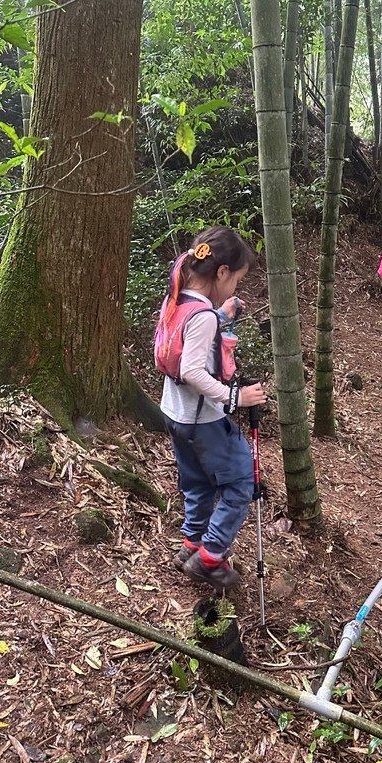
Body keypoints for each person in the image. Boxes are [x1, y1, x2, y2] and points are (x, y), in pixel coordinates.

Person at [157, 227, 267, 592]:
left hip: (175, 415)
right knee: (240, 483)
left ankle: (191, 544)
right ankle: (209, 558)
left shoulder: (178, 299)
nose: (236, 286)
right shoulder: (202, 315)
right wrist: (235, 398)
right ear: (221, 273)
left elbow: (189, 339)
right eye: (237, 279)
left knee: (197, 482)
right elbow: (191, 370)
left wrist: (221, 314)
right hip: (204, 420)